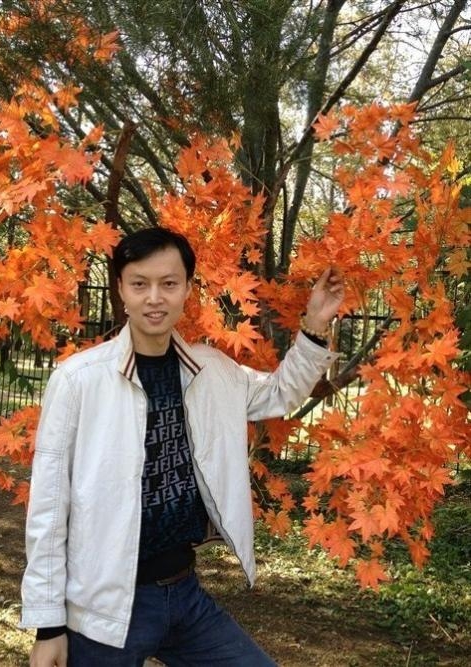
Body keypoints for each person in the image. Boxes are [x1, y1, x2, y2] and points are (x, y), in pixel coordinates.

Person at [21, 227, 344, 666]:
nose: (154, 298)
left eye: (169, 283)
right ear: (121, 289)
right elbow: (48, 504)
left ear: (188, 288)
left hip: (184, 594)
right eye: (140, 284)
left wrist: (315, 325)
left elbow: (280, 393)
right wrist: (49, 626)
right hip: (102, 610)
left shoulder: (210, 370)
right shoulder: (79, 381)